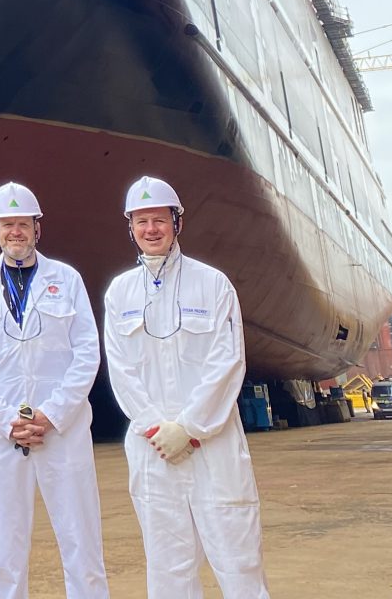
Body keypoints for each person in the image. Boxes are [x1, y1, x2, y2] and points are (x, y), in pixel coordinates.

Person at [101, 177, 270, 599]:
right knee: (168, 567)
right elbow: (121, 369)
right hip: (152, 448)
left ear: (177, 223)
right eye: (142, 221)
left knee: (238, 559)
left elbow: (227, 361)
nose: (151, 229)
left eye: (160, 219)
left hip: (212, 445)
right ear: (131, 227)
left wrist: (191, 428)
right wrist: (157, 428)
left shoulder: (212, 284)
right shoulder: (120, 292)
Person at [0, 182, 108, 599]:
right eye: (7, 225)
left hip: (63, 430)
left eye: (23, 224)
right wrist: (9, 421)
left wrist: (51, 414)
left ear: (37, 228)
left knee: (81, 539)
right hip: (1, 434)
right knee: (4, 546)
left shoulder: (68, 279)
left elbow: (86, 354)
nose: (15, 233)